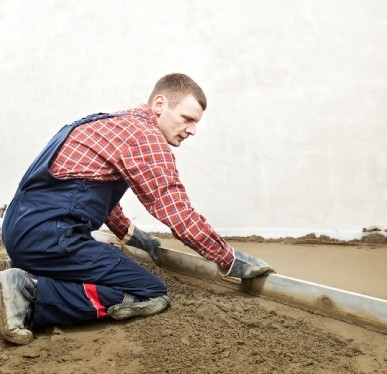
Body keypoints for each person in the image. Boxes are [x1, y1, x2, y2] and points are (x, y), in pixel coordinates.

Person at [0, 73, 274, 345]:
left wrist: (133, 235)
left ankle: (32, 267)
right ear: (159, 105)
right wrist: (228, 259)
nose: (192, 130)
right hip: (51, 238)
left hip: (19, 230)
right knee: (149, 291)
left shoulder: (109, 124)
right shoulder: (144, 137)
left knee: (100, 259)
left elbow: (87, 192)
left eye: (196, 123)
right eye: (187, 119)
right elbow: (177, 213)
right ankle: (29, 290)